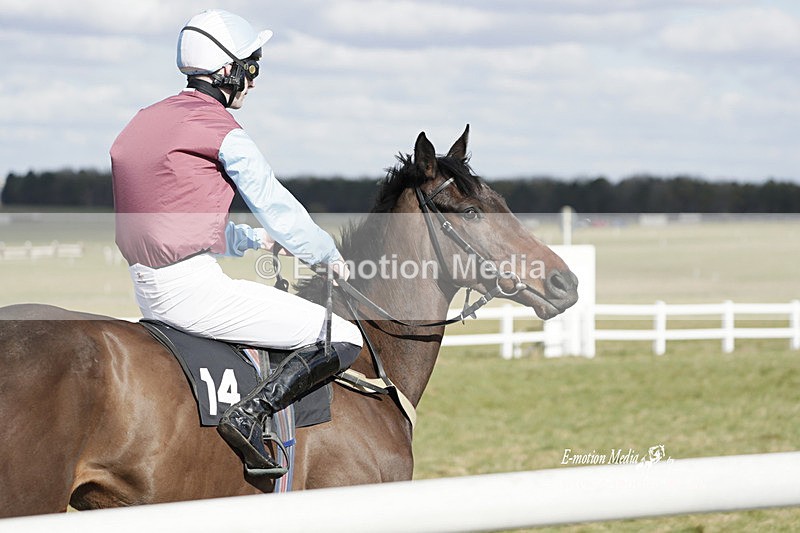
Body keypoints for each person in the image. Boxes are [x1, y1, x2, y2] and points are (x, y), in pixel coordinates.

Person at [110, 9, 363, 477]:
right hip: (192, 292)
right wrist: (327, 256)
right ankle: (249, 415)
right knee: (343, 335)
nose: (254, 80)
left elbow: (172, 222)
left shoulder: (145, 121)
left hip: (146, 288)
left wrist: (253, 240)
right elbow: (279, 207)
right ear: (228, 71)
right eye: (252, 67)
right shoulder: (223, 131)